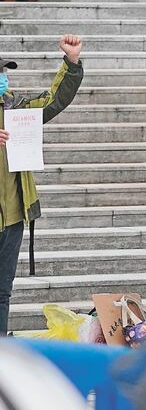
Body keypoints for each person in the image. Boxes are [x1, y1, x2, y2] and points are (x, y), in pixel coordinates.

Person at [0, 35, 84, 335]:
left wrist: (71, 62)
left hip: (11, 218)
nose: (3, 79)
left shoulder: (15, 108)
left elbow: (53, 100)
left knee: (2, 293)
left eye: (4, 73)